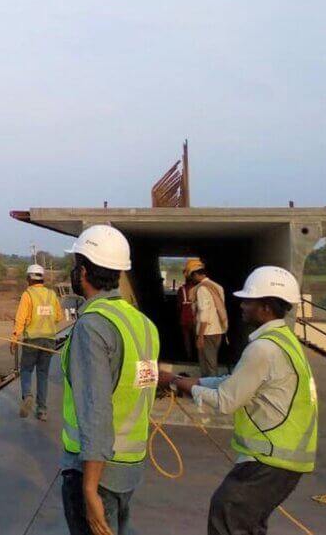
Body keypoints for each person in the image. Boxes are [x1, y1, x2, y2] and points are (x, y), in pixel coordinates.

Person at [168, 266, 317, 535]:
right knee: (244, 522)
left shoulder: (263, 349)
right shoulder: (284, 340)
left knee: (227, 513)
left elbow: (226, 400)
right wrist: (190, 382)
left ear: (266, 306)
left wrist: (186, 387)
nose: (242, 306)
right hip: (282, 460)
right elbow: (239, 382)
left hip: (271, 459)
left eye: (248, 300)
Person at [60, 225, 160, 535]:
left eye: (76, 266)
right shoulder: (142, 323)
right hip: (129, 465)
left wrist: (89, 489)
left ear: (84, 271)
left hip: (95, 470)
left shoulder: (92, 326)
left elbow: (96, 410)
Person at [11, 263, 63, 420]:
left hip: (31, 340)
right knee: (42, 374)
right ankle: (42, 410)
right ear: (42, 278)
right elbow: (59, 317)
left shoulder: (28, 295)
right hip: (49, 341)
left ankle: (27, 395)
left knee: (26, 370)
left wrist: (14, 337)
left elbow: (20, 319)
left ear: (28, 278)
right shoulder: (52, 295)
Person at [190, 261, 229, 376]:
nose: (192, 279)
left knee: (207, 364)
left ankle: (209, 389)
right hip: (218, 330)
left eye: (192, 276)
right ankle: (210, 387)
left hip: (207, 332)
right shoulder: (217, 286)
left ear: (196, 274)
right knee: (212, 361)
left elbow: (204, 312)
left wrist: (200, 336)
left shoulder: (202, 289)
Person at [177, 259, 201, 360]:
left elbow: (179, 305)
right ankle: (197, 356)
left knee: (186, 339)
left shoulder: (181, 289)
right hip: (195, 316)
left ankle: (188, 356)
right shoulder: (199, 288)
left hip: (184, 317)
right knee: (197, 337)